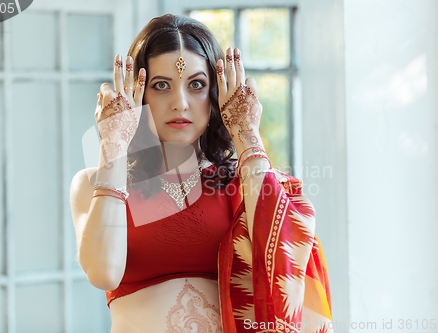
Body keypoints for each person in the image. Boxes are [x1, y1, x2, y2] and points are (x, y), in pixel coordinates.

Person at [70, 13, 332, 333]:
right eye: (161, 85)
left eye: (196, 85)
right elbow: (103, 273)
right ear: (138, 95)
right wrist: (113, 144)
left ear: (216, 96)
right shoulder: (95, 182)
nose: (180, 103)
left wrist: (247, 135)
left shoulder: (241, 183)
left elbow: (282, 260)